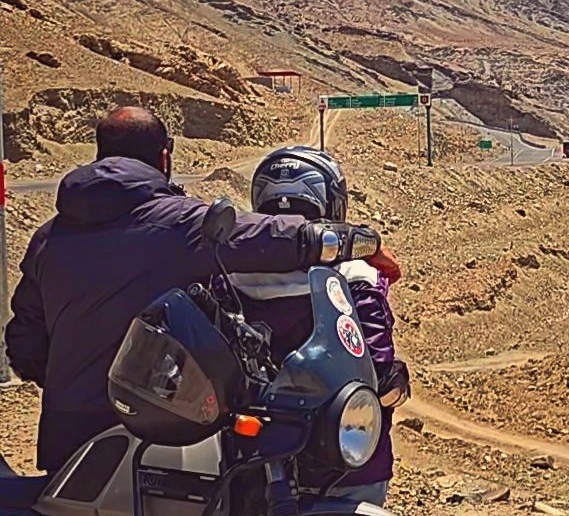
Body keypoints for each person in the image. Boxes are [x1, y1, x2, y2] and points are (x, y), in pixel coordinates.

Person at [5, 107, 400, 475]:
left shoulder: (47, 238)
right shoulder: (179, 224)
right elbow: (277, 237)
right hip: (157, 437)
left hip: (69, 440)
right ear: (165, 157)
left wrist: (77, 385)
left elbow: (24, 347)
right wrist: (362, 242)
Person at [232, 146, 408, 507]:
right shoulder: (354, 275)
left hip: (250, 459)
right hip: (346, 464)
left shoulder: (228, 275)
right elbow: (378, 368)